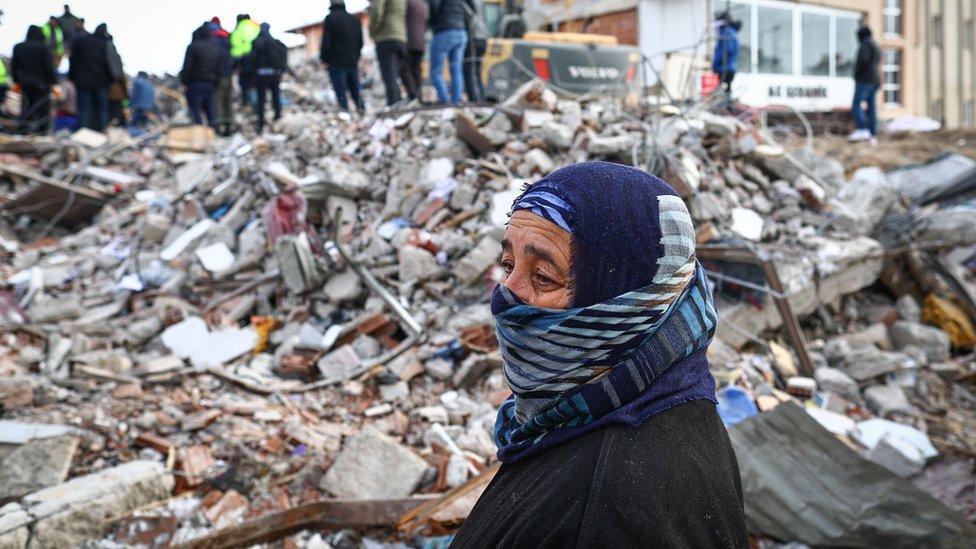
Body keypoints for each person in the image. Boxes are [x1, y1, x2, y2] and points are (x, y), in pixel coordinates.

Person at [450, 161, 749, 548]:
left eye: (543, 276)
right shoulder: (659, 404)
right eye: (508, 265)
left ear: (630, 301)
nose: (505, 296)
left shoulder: (607, 514)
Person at [12, 26, 57, 134]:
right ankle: (42, 131)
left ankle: (23, 130)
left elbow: (15, 66)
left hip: (25, 83)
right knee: (42, 109)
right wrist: (54, 82)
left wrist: (17, 80)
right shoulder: (43, 48)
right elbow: (48, 67)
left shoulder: (19, 47)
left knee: (26, 107)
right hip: (42, 84)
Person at [320, 0, 364, 112]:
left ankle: (345, 110)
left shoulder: (330, 19)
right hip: (352, 60)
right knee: (354, 87)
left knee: (340, 89)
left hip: (336, 62)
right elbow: (360, 42)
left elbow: (326, 42)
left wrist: (324, 58)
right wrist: (356, 57)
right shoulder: (354, 19)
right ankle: (361, 109)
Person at [428, 0, 473, 104]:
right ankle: (456, 101)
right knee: (456, 69)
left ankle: (444, 101)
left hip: (444, 32)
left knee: (436, 71)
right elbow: (471, 9)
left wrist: (431, 22)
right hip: (461, 32)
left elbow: (434, 5)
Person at [70, 23, 113, 131]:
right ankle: (102, 132)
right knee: (101, 110)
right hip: (100, 82)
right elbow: (110, 64)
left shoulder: (82, 41)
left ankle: (83, 133)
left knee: (84, 109)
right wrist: (110, 80)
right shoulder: (104, 44)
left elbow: (73, 61)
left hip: (83, 82)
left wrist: (72, 77)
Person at [181, 26, 223, 127]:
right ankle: (213, 132)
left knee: (195, 109)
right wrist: (216, 83)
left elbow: (187, 66)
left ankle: (198, 131)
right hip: (211, 84)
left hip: (195, 84)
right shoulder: (215, 49)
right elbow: (220, 69)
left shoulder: (193, 46)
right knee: (211, 110)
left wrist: (185, 82)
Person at [250, 23, 287, 133]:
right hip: (275, 75)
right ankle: (277, 119)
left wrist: (252, 73)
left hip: (261, 76)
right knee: (276, 97)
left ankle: (261, 124)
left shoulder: (256, 42)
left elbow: (253, 59)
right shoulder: (276, 43)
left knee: (261, 100)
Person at [369, 0, 407, 106]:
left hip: (386, 37)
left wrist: (372, 31)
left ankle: (393, 104)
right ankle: (398, 100)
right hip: (401, 38)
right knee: (395, 73)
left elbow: (376, 11)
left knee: (389, 74)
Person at [849, 26, 881, 144]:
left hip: (865, 80)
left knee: (856, 104)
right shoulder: (875, 45)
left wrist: (857, 75)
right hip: (875, 80)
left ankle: (862, 129)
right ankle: (872, 136)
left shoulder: (865, 44)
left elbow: (863, 61)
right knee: (871, 109)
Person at [210, 17, 234, 136]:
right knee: (227, 100)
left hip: (216, 75)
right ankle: (229, 126)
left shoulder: (211, 36)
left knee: (218, 101)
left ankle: (219, 128)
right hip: (228, 74)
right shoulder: (226, 36)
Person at [230, 14, 261, 108]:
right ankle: (257, 104)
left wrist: (235, 65)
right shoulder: (256, 28)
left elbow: (235, 49)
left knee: (245, 84)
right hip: (257, 60)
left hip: (244, 61)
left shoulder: (237, 31)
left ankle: (248, 104)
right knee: (256, 83)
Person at [712, 13, 740, 112]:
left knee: (724, 89)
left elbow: (727, 50)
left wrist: (717, 63)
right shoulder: (731, 33)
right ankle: (726, 107)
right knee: (726, 89)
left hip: (725, 67)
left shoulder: (726, 33)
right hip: (728, 67)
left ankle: (726, 109)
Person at [401, 0, 427, 101]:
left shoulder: (407, 3)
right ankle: (419, 95)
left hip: (409, 40)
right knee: (416, 69)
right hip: (420, 41)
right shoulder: (422, 4)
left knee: (405, 68)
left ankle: (412, 94)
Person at [462, 0, 487, 102]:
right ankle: (481, 98)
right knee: (476, 71)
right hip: (482, 38)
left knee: (469, 70)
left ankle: (475, 100)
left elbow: (469, 17)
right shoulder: (480, 2)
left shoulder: (469, 2)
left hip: (474, 37)